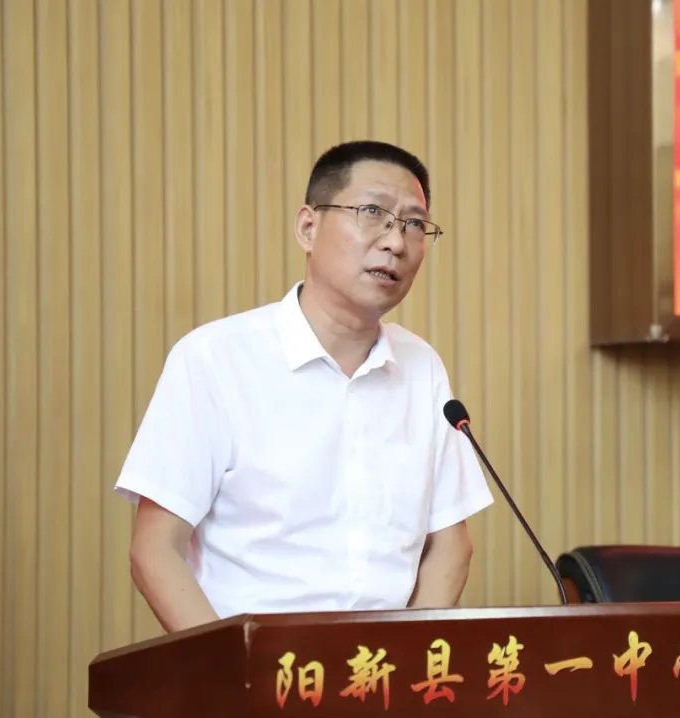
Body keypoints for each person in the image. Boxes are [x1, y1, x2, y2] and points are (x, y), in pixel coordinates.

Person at [115, 140, 495, 633]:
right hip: (254, 667)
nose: (396, 242)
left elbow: (451, 545)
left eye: (414, 224)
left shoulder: (421, 367)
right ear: (308, 228)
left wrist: (408, 656)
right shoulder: (214, 359)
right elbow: (154, 549)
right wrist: (234, 668)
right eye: (373, 212)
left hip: (379, 669)